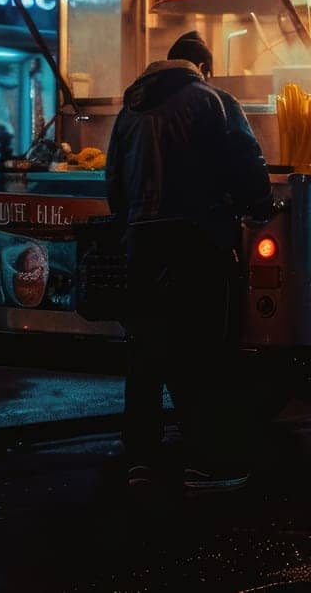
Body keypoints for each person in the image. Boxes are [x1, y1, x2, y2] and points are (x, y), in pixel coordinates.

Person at [106, 30, 272, 492]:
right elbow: (245, 162)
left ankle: (140, 459)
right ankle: (207, 462)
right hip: (197, 239)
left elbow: (113, 183)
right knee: (202, 351)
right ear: (205, 68)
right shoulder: (214, 101)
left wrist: (131, 224)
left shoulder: (130, 110)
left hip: (141, 243)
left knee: (146, 351)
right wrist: (258, 205)